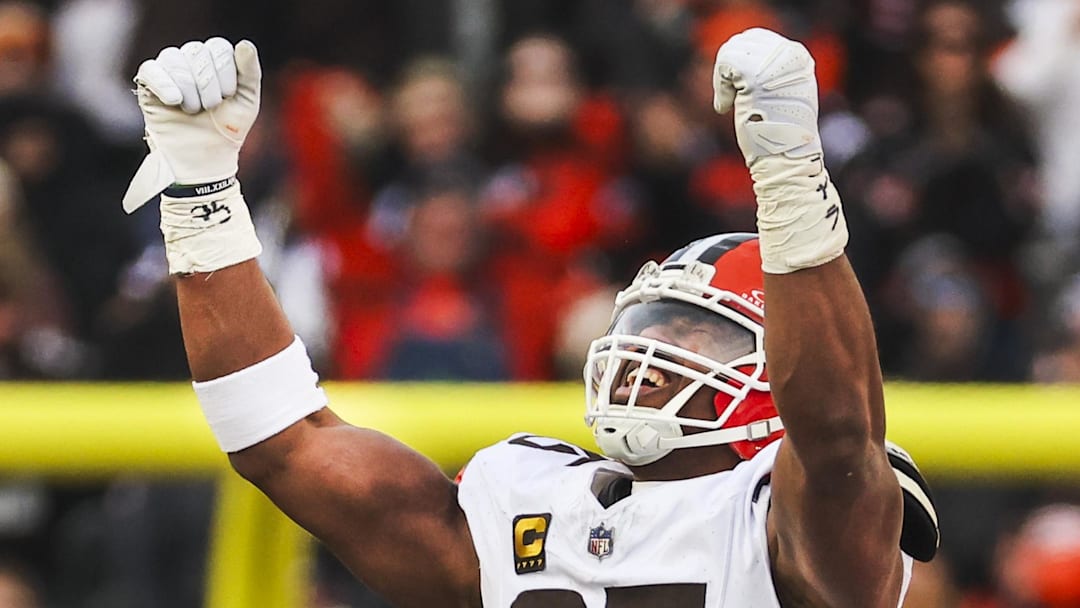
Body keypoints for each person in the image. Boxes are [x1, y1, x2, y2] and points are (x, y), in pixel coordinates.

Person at [122, 29, 938, 607]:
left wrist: (789, 175)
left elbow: (836, 434)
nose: (654, 347)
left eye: (699, 331)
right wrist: (201, 191)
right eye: (654, 322)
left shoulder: (797, 516)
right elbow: (282, 442)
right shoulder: (522, 496)